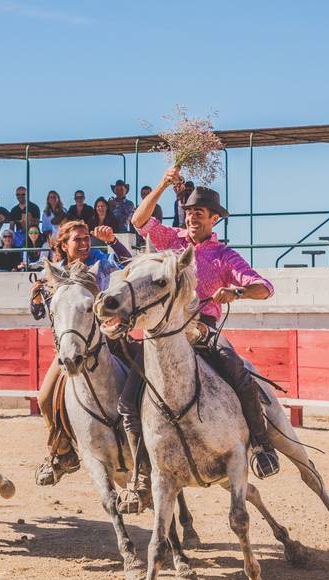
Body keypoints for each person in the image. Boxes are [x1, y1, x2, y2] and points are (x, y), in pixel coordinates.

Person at [120, 167, 279, 511]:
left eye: (199, 213)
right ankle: (141, 474)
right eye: (189, 212)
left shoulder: (223, 255)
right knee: (128, 396)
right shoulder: (172, 240)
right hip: (162, 332)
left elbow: (265, 288)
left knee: (238, 372)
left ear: (213, 219)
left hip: (202, 329)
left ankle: (262, 447)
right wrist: (163, 182)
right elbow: (138, 220)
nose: (192, 217)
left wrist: (236, 292)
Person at [30, 221, 132, 486]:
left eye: (87, 239)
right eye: (78, 240)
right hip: (71, 348)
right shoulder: (55, 272)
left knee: (143, 377)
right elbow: (41, 314)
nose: (85, 244)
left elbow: (127, 263)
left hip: (108, 339)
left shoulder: (99, 260)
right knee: (44, 399)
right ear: (64, 245)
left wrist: (112, 241)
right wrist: (36, 300)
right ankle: (62, 454)